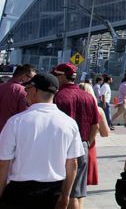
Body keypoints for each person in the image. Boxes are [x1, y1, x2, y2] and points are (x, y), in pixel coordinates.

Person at [0, 72, 84, 208]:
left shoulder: (16, 122)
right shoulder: (69, 123)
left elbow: (3, 163)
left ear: (35, 90)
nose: (25, 93)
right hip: (53, 191)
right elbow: (72, 163)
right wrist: (65, 195)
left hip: (19, 192)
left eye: (27, 89)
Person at [52, 62, 98, 209]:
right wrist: (86, 143)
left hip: (60, 149)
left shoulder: (58, 97)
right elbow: (95, 126)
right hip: (82, 147)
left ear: (62, 77)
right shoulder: (89, 97)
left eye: (55, 75)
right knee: (74, 194)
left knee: (59, 194)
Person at [77, 83, 110, 188]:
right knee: (81, 188)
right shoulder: (97, 110)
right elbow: (105, 133)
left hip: (72, 147)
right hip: (89, 147)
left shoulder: (73, 107)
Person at [0, 64, 35, 133]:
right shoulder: (24, 91)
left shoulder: (1, 87)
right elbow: (25, 115)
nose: (33, 81)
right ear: (24, 76)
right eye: (32, 78)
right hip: (11, 133)